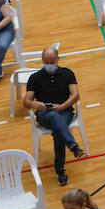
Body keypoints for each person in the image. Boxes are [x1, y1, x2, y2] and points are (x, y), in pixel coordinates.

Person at [23, 47, 86, 186]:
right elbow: (26, 102)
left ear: (58, 59)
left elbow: (76, 95)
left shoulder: (67, 73)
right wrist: (36, 104)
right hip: (44, 113)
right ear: (42, 61)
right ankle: (72, 146)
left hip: (65, 111)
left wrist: (63, 106)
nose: (49, 64)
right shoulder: (35, 78)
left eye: (52, 61)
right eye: (47, 62)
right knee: (54, 117)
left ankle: (61, 170)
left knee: (58, 130)